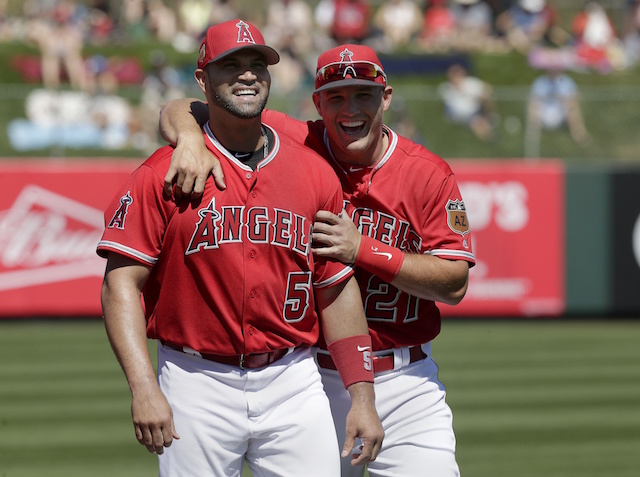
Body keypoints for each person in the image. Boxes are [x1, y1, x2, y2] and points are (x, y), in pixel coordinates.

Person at [160, 42, 476, 477]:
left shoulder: (427, 173)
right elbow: (184, 106)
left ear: (386, 97)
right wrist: (191, 138)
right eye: (337, 97)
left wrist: (362, 248)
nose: (350, 109)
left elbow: (454, 283)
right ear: (318, 103)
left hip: (406, 379)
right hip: (310, 378)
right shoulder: (296, 138)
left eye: (363, 93)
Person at [97, 20, 384, 477]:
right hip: (196, 379)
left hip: (293, 377)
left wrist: (362, 397)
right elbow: (120, 286)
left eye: (257, 65)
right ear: (203, 79)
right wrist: (143, 387)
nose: (247, 75)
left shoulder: (312, 173)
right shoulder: (162, 174)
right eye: (231, 65)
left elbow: (333, 287)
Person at [525, 66, 590, 156]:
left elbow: (576, 98)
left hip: (562, 114)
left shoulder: (566, 81)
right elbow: (533, 101)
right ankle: (532, 141)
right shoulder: (540, 82)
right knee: (534, 106)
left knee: (571, 106)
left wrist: (563, 99)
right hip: (544, 114)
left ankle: (578, 133)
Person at [438, 62, 497, 142]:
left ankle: (489, 132)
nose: (455, 77)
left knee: (478, 122)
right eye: (453, 74)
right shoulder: (445, 88)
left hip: (474, 112)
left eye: (457, 74)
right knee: (477, 123)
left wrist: (480, 96)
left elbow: (488, 89)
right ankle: (489, 140)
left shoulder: (472, 83)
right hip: (458, 116)